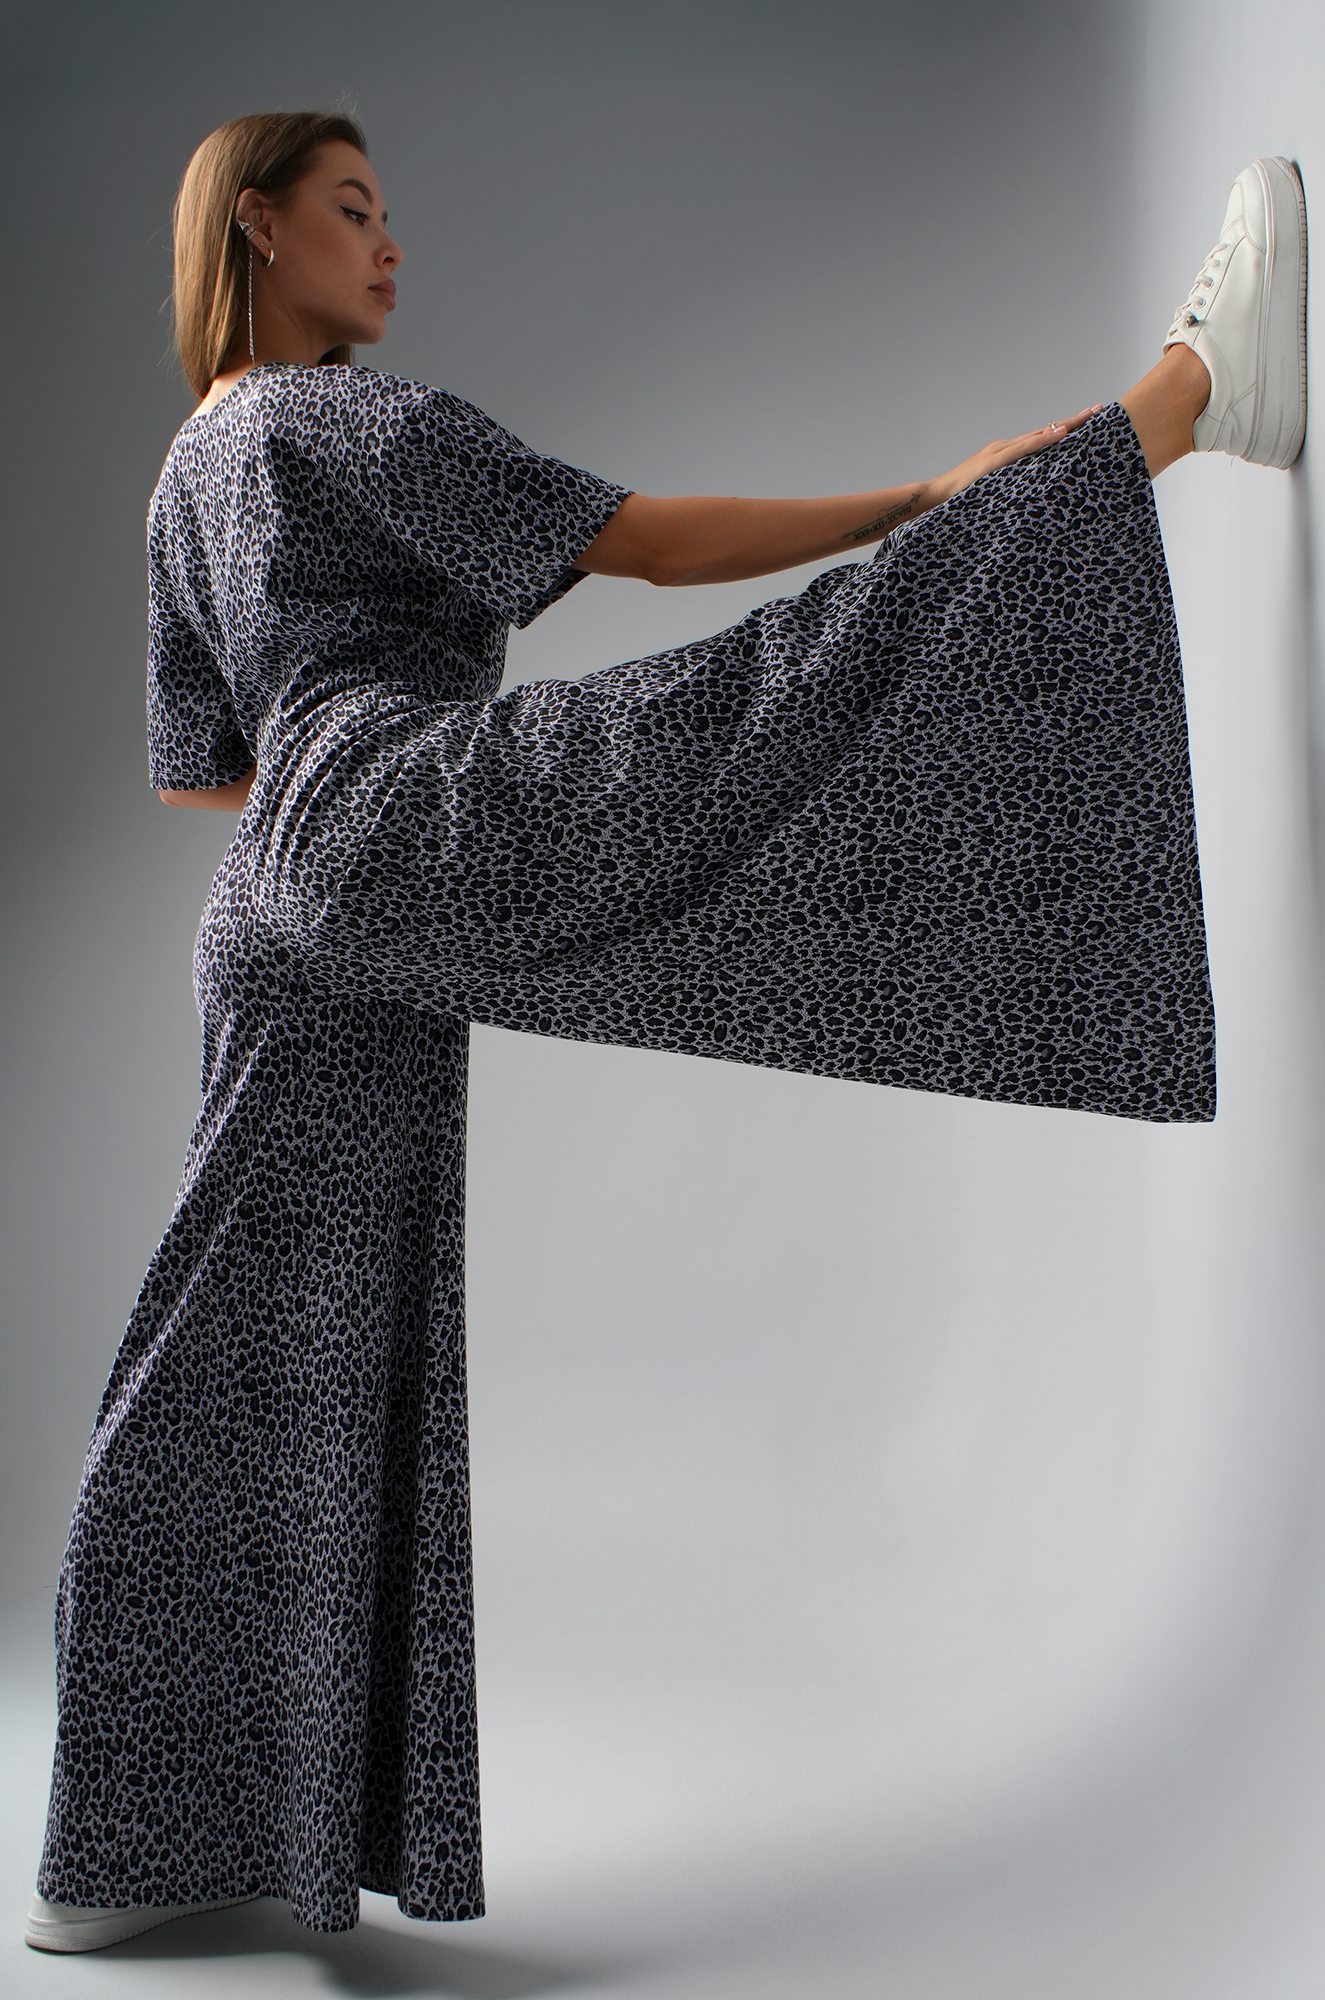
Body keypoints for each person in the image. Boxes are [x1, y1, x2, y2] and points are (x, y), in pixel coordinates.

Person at [24, 111, 1307, 1952]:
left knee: (271, 1345)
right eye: (353, 210)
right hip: (370, 837)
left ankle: (144, 1848)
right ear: (255, 227)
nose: (390, 246)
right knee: (774, 709)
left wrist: (343, 802)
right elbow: (628, 541)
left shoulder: (187, 473)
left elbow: (201, 776)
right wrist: (912, 497)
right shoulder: (336, 422)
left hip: (276, 915)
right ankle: (1180, 399)